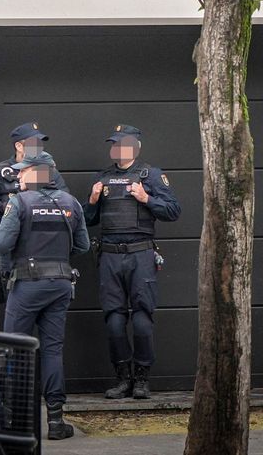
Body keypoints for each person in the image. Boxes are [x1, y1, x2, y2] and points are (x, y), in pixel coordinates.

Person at [0, 156, 89, 440]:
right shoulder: (71, 203)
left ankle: (14, 420)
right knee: (52, 351)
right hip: (60, 284)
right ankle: (56, 421)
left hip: (28, 285)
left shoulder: (19, 203)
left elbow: (1, 244)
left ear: (36, 173)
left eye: (22, 173)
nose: (18, 178)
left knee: (15, 349)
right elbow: (81, 245)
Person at [83, 124, 180, 400]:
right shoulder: (102, 177)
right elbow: (88, 221)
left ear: (135, 147)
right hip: (111, 255)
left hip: (141, 254)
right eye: (113, 144)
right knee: (114, 322)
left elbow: (174, 210)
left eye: (122, 143)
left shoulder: (151, 175)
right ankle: (122, 378)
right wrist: (91, 201)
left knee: (141, 321)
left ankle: (141, 379)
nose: (117, 149)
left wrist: (146, 198)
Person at [0, 122, 69, 220]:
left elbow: (66, 203)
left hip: (42, 232)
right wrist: (4, 207)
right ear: (19, 146)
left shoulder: (48, 171)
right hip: (12, 233)